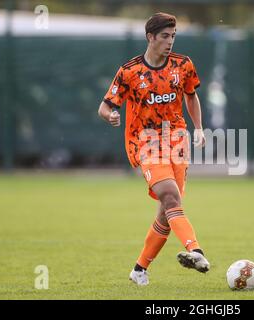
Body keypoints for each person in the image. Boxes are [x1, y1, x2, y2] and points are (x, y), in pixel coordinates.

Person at [98, 12, 210, 286]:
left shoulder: (183, 65)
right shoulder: (130, 72)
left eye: (173, 36)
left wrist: (198, 128)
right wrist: (110, 116)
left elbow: (191, 96)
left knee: (167, 209)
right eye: (164, 36)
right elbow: (105, 106)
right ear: (150, 37)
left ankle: (139, 269)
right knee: (171, 196)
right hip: (145, 142)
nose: (170, 41)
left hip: (177, 140)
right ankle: (196, 251)